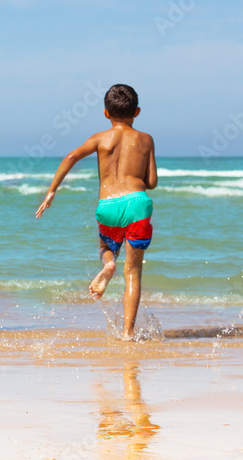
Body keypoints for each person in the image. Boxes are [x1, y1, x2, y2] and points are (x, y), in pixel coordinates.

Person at [35, 84, 157, 341]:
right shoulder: (146, 139)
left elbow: (71, 156)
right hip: (137, 203)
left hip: (108, 205)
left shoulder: (100, 138)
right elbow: (152, 181)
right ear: (137, 111)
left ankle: (109, 263)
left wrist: (52, 191)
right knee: (133, 272)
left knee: (106, 248)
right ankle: (127, 333)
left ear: (105, 113)